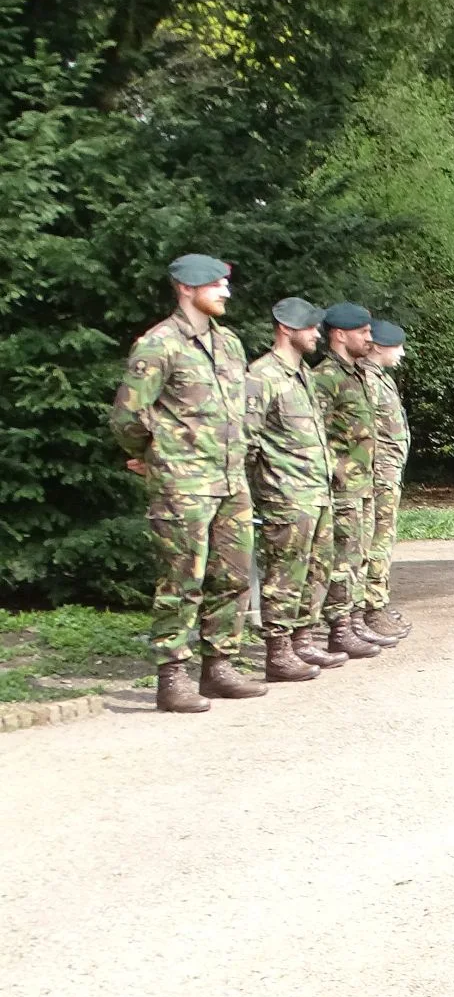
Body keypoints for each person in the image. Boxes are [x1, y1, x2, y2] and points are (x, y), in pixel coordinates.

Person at [111, 254, 268, 710]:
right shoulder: (159, 345)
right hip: (184, 484)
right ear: (185, 288)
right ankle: (172, 676)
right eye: (216, 284)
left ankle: (219, 667)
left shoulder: (231, 344)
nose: (226, 291)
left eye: (225, 283)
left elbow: (239, 413)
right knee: (182, 580)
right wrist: (155, 456)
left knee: (234, 576)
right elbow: (126, 416)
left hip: (230, 481)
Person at [241, 296, 335, 684]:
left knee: (316, 567)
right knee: (285, 572)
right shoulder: (261, 376)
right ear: (286, 329)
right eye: (310, 327)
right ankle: (277, 651)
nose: (316, 334)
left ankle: (303, 637)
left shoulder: (304, 375)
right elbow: (246, 441)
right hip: (285, 493)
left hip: (316, 490)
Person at [312, 303, 394, 655]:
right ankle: (340, 628)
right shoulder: (325, 377)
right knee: (343, 558)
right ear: (340, 335)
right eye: (362, 332)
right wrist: (334, 469)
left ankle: (355, 620)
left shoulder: (356, 375)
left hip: (364, 483)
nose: (369, 337)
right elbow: (313, 431)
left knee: (358, 554)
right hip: (343, 484)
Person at [359, 320, 414, 641]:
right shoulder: (365, 379)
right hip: (372, 475)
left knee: (382, 540)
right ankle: (370, 609)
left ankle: (376, 603)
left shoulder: (381, 379)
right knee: (373, 542)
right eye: (397, 346)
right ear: (378, 346)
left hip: (386, 473)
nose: (402, 353)